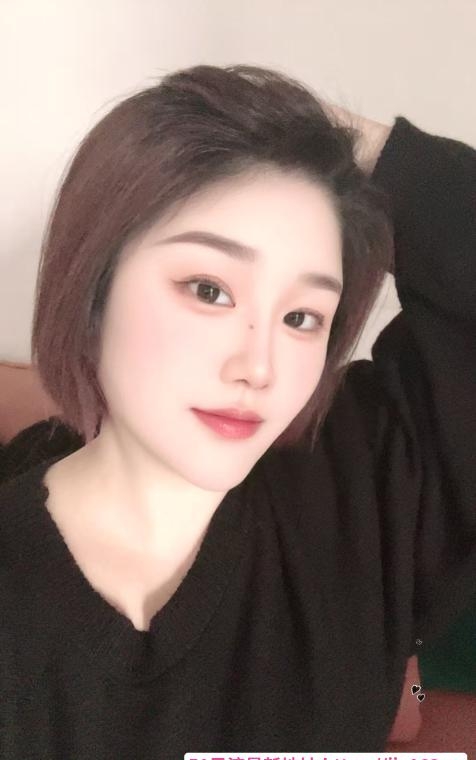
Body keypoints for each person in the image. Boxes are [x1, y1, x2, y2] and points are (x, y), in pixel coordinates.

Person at [0, 64, 474, 757]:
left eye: (303, 317)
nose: (259, 366)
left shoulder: (365, 499)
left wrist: (351, 145)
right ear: (94, 289)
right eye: (209, 290)